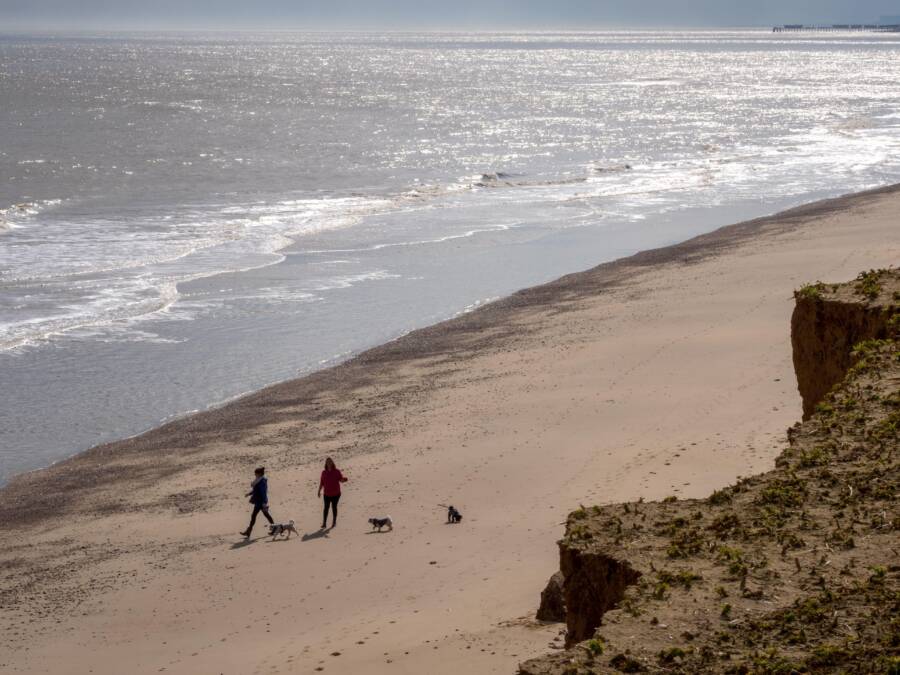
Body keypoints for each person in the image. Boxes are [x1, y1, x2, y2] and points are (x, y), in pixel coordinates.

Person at [240, 466, 274, 537]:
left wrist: (264, 502)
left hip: (261, 502)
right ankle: (249, 531)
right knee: (262, 515)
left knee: (257, 516)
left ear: (259, 474)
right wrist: (249, 494)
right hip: (258, 501)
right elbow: (256, 490)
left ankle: (275, 528)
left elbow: (263, 492)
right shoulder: (258, 480)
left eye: (256, 473)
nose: (255, 475)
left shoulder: (262, 481)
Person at [318, 457, 348, 529]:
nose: (329, 463)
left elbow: (340, 480)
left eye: (330, 461)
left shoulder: (337, 471)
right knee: (326, 508)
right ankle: (324, 523)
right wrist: (319, 491)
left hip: (336, 494)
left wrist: (344, 480)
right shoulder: (323, 472)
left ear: (332, 463)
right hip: (326, 494)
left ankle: (334, 522)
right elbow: (322, 483)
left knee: (334, 507)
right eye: (327, 462)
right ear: (326, 463)